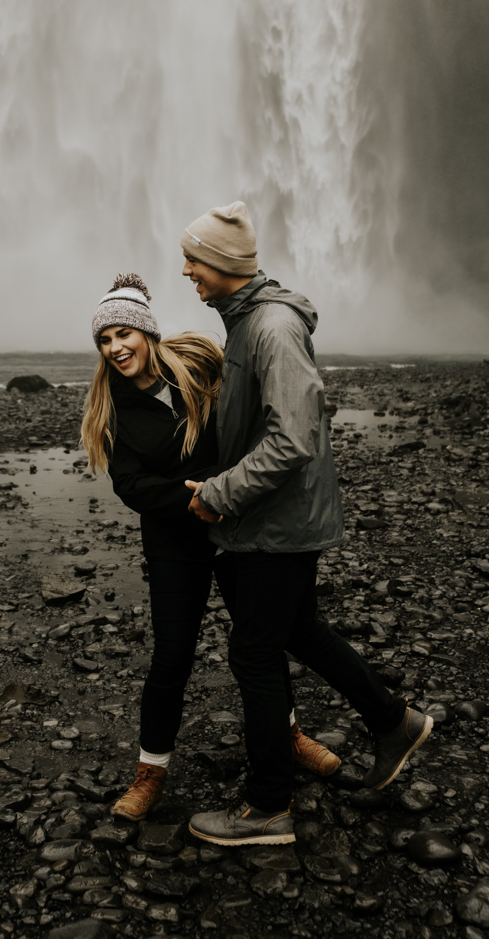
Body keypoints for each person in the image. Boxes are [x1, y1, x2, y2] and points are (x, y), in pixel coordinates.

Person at [179, 204, 434, 847]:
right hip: (275, 520)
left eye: (196, 261)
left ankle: (267, 807)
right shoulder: (248, 323)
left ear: (225, 265)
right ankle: (392, 721)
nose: (187, 271)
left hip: (276, 524)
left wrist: (220, 493)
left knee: (254, 652)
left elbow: (291, 439)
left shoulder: (270, 328)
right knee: (299, 630)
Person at [80, 273, 342, 823]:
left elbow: (254, 418)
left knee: (261, 646)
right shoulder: (111, 409)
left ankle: (288, 737)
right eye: (105, 340)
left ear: (148, 332)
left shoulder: (199, 365)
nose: (115, 348)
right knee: (171, 657)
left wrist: (231, 492)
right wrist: (199, 497)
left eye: (124, 334)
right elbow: (130, 485)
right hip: (177, 542)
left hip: (243, 530)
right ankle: (150, 772)